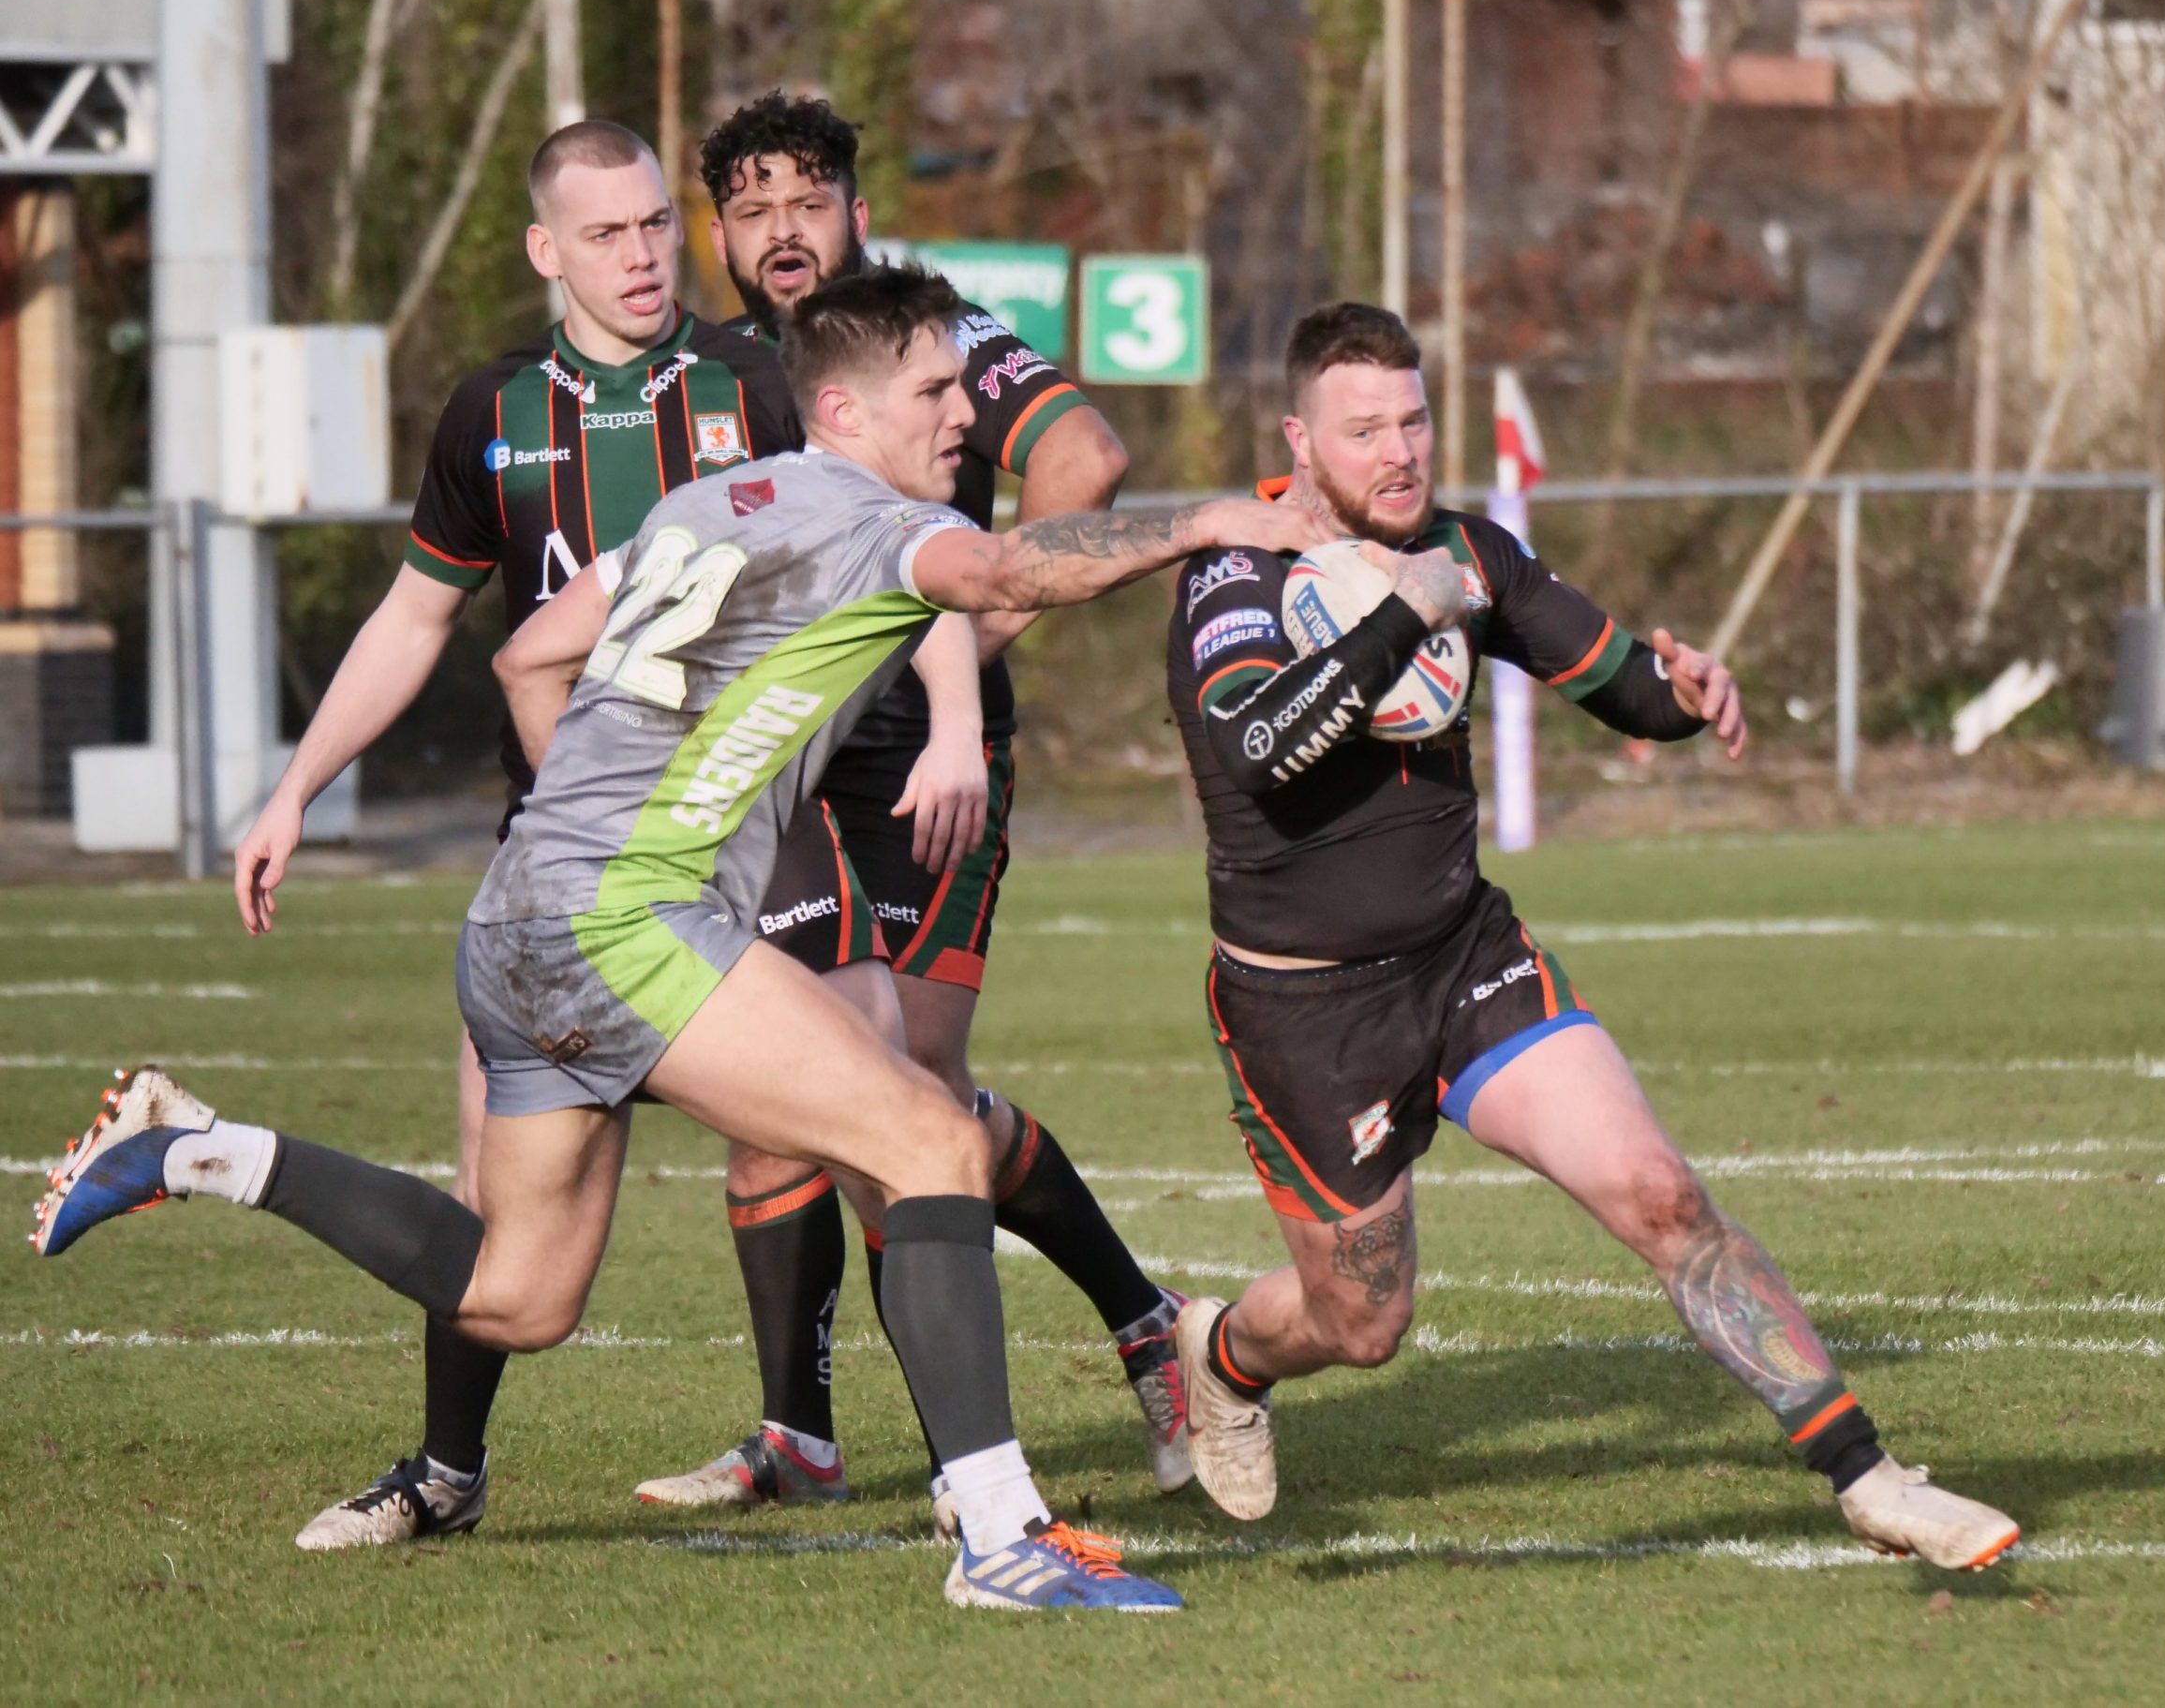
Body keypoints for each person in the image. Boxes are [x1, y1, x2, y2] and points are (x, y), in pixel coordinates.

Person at [34, 266, 1319, 1613]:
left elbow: (529, 655)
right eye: (936, 391)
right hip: (621, 919)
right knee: (934, 1142)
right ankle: (1001, 1539)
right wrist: (1207, 522)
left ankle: (194, 1147)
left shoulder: (702, 505)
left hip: (517, 912)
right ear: (845, 408)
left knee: (518, 1296)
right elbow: (1004, 570)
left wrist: (601, 820)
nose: (963, 416)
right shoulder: (882, 521)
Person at [1159, 303, 2021, 1572]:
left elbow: (1618, 679)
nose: (1399, 452)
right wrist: (1404, 615)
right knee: (1360, 1323)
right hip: (1309, 1017)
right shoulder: (1237, 576)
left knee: (1662, 1197)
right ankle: (1223, 1355)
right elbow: (1256, 748)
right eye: (1364, 430)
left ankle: (1869, 1477)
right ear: (1298, 440)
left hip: (1467, 961)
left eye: (1414, 421)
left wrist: (1683, 693)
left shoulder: (1465, 551)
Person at [224, 118, 819, 1549]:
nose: (641, 254)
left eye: (655, 225)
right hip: (558, 853)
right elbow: (414, 615)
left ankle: (879, 1447)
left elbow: (853, 557)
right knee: (501, 1202)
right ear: (548, 250)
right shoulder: (491, 412)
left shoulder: (756, 385)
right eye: (605, 233)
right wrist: (297, 786)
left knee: (861, 1126)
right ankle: (446, 1472)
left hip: (738, 834)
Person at [629, 92, 1190, 1522]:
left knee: (911, 1094)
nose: (782, 230)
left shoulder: (935, 335)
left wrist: (971, 647)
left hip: (922, 769)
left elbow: (1083, 461)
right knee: (776, 1090)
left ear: (855, 213)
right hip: (779, 768)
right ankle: (799, 1433)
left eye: (806, 201)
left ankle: (1135, 1332)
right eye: (752, 210)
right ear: (720, 236)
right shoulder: (717, 372)